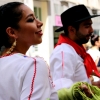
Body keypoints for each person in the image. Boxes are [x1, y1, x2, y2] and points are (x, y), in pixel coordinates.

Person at [0, 2, 58, 100]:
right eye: (31, 20)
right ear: (12, 32)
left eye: (37, 17)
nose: (40, 23)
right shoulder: (33, 64)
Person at [50, 4, 100, 92]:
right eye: (87, 26)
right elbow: (62, 91)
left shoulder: (76, 51)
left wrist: (94, 86)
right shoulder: (64, 52)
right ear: (72, 30)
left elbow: (77, 85)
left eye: (91, 25)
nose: (91, 30)